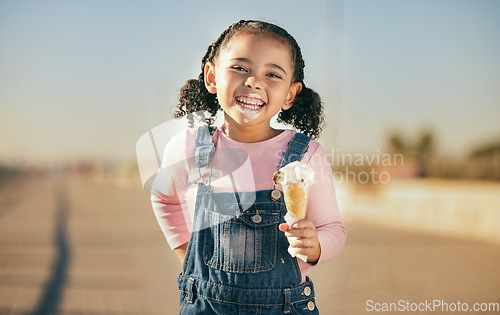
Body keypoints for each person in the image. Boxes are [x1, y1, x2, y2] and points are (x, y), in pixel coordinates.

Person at [150, 20, 346, 314]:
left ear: (290, 94)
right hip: (205, 305)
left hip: (284, 306)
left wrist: (317, 245)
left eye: (272, 74)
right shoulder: (189, 147)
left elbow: (333, 229)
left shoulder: (306, 155)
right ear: (212, 76)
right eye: (240, 68)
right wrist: (186, 251)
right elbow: (163, 197)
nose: (254, 81)